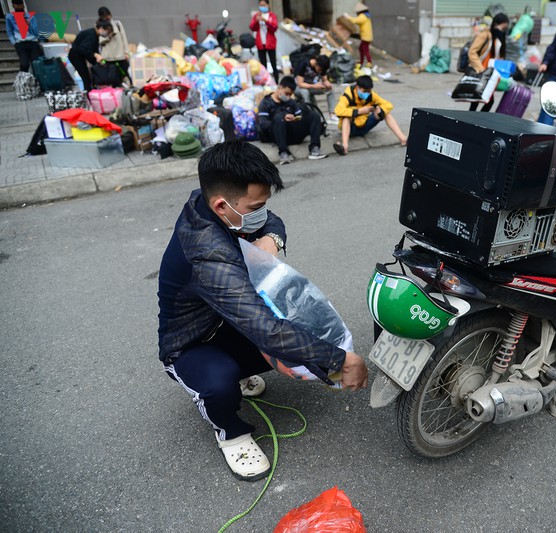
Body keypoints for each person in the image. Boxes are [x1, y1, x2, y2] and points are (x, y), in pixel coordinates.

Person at [157, 141, 368, 481]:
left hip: (227, 321)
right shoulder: (207, 254)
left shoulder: (214, 205)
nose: (260, 212)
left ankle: (237, 370)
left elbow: (272, 220)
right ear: (222, 204)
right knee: (220, 381)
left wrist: (271, 239)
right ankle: (230, 433)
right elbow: (265, 330)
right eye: (255, 206)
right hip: (191, 343)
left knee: (300, 336)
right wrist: (343, 360)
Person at [258, 76, 328, 165]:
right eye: (286, 93)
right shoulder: (266, 103)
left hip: (293, 132)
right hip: (278, 135)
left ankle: (315, 148)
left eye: (290, 94)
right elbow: (263, 124)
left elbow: (300, 115)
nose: (288, 96)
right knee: (279, 118)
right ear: (280, 87)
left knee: (314, 115)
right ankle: (283, 153)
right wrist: (280, 120)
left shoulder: (291, 102)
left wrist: (295, 118)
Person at [332, 75, 406, 156]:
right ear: (357, 87)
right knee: (346, 118)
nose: (367, 93)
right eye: (364, 91)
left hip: (365, 125)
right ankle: (345, 147)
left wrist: (380, 111)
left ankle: (403, 139)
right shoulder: (348, 95)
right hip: (350, 129)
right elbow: (338, 111)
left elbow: (388, 105)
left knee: (386, 113)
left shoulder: (371, 95)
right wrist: (359, 111)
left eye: (369, 91)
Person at [466, 13, 509, 112]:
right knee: (480, 100)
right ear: (495, 24)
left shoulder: (499, 37)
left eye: (505, 28)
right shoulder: (485, 35)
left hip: (490, 73)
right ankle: (474, 121)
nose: (503, 30)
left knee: (482, 99)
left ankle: (474, 121)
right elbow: (472, 51)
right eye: (502, 27)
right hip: (481, 71)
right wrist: (480, 69)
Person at [68, 19, 112, 91]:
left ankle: (91, 92)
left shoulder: (95, 35)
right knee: (85, 76)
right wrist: (95, 55)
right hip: (75, 56)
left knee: (88, 75)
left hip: (81, 56)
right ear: (101, 29)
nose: (106, 33)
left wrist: (98, 61)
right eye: (106, 30)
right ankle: (88, 94)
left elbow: (91, 51)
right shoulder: (91, 34)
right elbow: (84, 49)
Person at [294, 53, 336, 122]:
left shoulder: (322, 66)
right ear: (316, 64)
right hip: (299, 88)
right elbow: (300, 84)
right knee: (305, 92)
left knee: (330, 89)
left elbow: (324, 79)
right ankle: (309, 115)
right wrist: (314, 86)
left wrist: (327, 84)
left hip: (312, 86)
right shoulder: (304, 64)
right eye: (319, 70)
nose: (320, 72)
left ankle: (332, 114)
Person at [5, 0, 43, 72]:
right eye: (17, 4)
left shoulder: (30, 16)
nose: (19, 6)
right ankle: (22, 81)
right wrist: (14, 43)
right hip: (20, 43)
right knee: (24, 64)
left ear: (23, 5)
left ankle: (37, 81)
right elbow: (9, 31)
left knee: (36, 64)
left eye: (20, 4)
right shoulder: (10, 17)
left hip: (32, 42)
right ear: (13, 5)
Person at [97, 7, 130, 84]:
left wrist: (126, 52)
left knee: (127, 70)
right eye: (104, 16)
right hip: (108, 56)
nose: (107, 18)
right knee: (112, 74)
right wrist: (109, 36)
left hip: (120, 53)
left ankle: (130, 84)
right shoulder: (99, 25)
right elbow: (100, 41)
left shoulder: (117, 23)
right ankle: (116, 87)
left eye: (107, 15)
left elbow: (123, 37)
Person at [249, 0, 279, 79]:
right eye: (260, 5)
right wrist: (256, 21)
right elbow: (252, 27)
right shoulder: (256, 16)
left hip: (270, 43)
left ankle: (276, 80)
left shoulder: (272, 15)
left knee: (273, 64)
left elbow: (274, 27)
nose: (262, 7)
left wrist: (266, 21)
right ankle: (265, 80)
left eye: (264, 5)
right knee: (263, 64)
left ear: (268, 5)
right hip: (260, 44)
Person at [348, 2, 373, 67]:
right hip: (367, 36)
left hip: (366, 37)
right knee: (361, 49)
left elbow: (355, 21)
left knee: (365, 49)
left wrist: (347, 17)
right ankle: (361, 62)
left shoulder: (363, 16)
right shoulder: (366, 16)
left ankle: (369, 62)